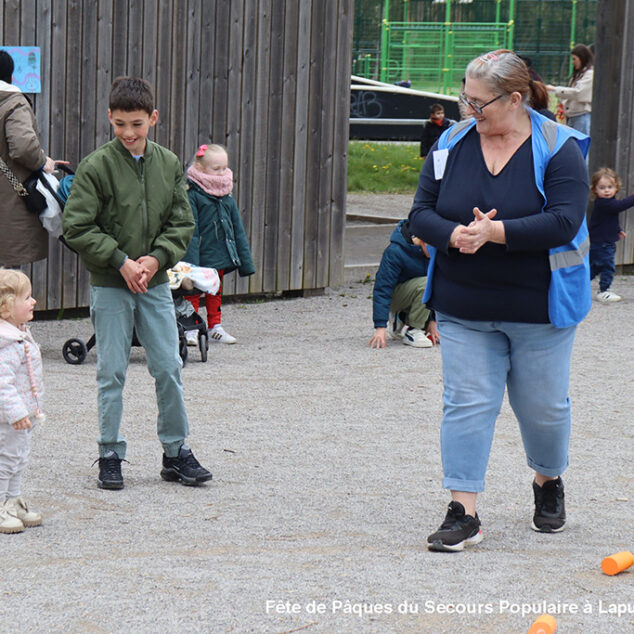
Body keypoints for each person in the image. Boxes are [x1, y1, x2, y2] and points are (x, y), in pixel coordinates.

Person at [408, 50, 590, 552]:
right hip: (463, 305)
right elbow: (420, 213)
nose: (469, 110)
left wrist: (495, 232)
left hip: (540, 308)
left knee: (543, 409)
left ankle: (547, 480)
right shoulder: (450, 143)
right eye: (465, 98)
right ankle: (463, 512)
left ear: (514, 99)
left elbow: (564, 221)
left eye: (478, 102)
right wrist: (453, 235)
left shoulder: (559, 147)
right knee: (466, 404)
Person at [62, 77, 212, 490]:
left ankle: (176, 452)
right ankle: (110, 453)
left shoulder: (168, 163)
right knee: (111, 371)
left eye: (137, 124)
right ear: (109, 117)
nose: (128, 133)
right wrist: (121, 261)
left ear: (154, 119)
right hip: (111, 284)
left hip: (156, 283)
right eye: (120, 124)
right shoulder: (96, 166)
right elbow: (77, 227)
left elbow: (182, 222)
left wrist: (156, 258)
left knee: (168, 367)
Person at [182, 143, 255, 346]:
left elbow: (237, 228)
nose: (222, 172)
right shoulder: (192, 194)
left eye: (224, 167)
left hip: (219, 253)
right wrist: (191, 261)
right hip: (199, 255)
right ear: (200, 167)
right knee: (192, 291)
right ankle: (190, 326)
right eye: (217, 169)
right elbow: (191, 229)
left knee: (215, 291)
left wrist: (245, 260)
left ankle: (215, 326)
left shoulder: (226, 194)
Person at [0, 51, 66, 267]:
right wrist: (42, 161)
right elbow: (23, 146)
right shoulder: (12, 103)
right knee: (9, 281)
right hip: (7, 207)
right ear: (10, 76)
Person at [0, 269, 44, 534]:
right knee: (6, 460)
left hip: (23, 416)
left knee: (19, 458)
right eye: (26, 297)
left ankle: (13, 500)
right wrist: (16, 413)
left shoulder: (19, 333)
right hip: (9, 418)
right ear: (6, 307)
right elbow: (2, 383)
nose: (33, 301)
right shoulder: (6, 343)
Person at [369, 219, 438, 349]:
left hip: (418, 294)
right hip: (396, 296)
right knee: (427, 283)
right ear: (419, 240)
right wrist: (380, 327)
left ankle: (402, 317)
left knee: (437, 283)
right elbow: (382, 289)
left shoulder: (432, 249)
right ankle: (413, 330)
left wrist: (433, 321)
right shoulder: (395, 251)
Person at [589, 167, 632, 303]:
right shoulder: (603, 203)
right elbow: (619, 206)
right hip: (602, 243)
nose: (606, 190)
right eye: (602, 188)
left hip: (603, 241)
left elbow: (608, 220)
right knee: (608, 266)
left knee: (597, 267)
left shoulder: (608, 204)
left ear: (616, 188)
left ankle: (578, 284)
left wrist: (617, 229)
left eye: (610, 187)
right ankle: (604, 291)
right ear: (595, 190)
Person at [546, 44, 593, 135]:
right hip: (572, 116)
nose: (572, 62)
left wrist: (555, 89)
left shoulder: (589, 74)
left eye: (574, 59)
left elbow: (578, 93)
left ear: (582, 58)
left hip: (581, 116)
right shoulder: (579, 74)